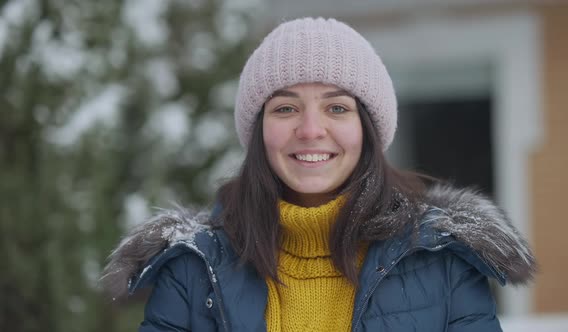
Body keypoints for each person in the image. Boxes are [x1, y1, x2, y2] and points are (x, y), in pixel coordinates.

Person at [102, 17, 536, 331]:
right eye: (286, 108)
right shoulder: (194, 269)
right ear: (258, 132)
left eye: (337, 108)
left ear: (367, 129)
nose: (311, 130)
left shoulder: (441, 261)